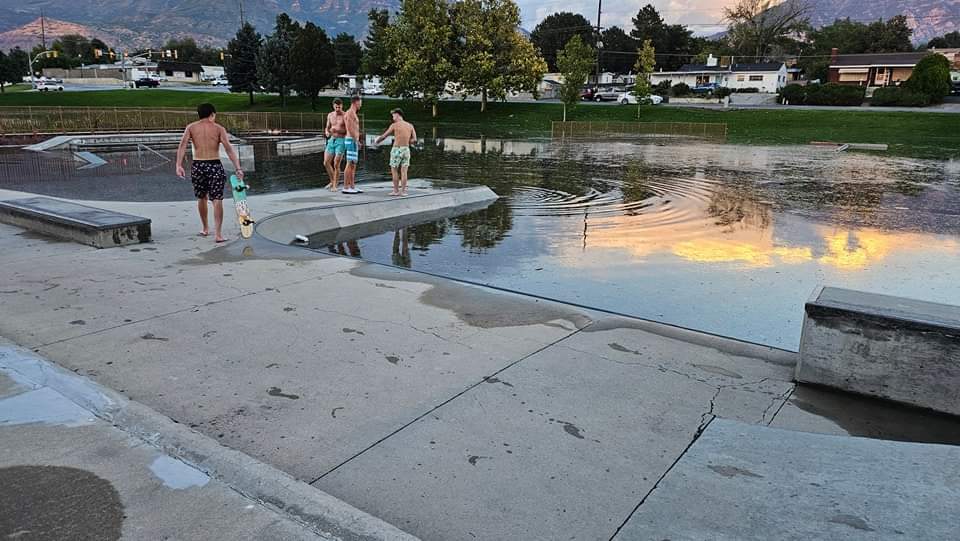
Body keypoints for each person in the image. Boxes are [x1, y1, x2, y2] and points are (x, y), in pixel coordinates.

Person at [175, 103, 243, 243]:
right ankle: (218, 234)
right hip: (214, 165)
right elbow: (229, 149)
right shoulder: (218, 128)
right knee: (217, 199)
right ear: (212, 114)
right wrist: (238, 168)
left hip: (198, 165)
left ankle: (205, 228)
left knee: (201, 198)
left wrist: (178, 165)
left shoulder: (191, 127)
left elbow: (182, 146)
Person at [374, 108, 417, 196]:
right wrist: (407, 141)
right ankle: (403, 192)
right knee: (404, 171)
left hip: (396, 149)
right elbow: (414, 139)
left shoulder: (394, 125)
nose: (392, 117)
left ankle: (396, 191)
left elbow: (384, 136)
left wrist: (377, 142)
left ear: (397, 115)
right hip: (406, 149)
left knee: (394, 170)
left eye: (393, 115)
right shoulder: (410, 125)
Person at [323, 98, 347, 191]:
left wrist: (338, 130)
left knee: (336, 163)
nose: (338, 109)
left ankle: (335, 185)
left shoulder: (345, 116)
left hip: (341, 140)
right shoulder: (330, 115)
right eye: (336, 107)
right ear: (333, 106)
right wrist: (327, 132)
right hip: (332, 139)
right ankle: (332, 181)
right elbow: (327, 127)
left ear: (342, 106)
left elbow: (348, 130)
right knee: (326, 162)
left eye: (339, 107)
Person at [342, 95, 363, 194]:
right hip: (351, 140)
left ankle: (352, 186)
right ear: (356, 102)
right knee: (349, 162)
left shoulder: (353, 113)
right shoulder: (350, 113)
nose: (361, 105)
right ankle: (346, 187)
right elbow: (350, 128)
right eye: (360, 103)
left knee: (353, 164)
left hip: (353, 140)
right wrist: (356, 140)